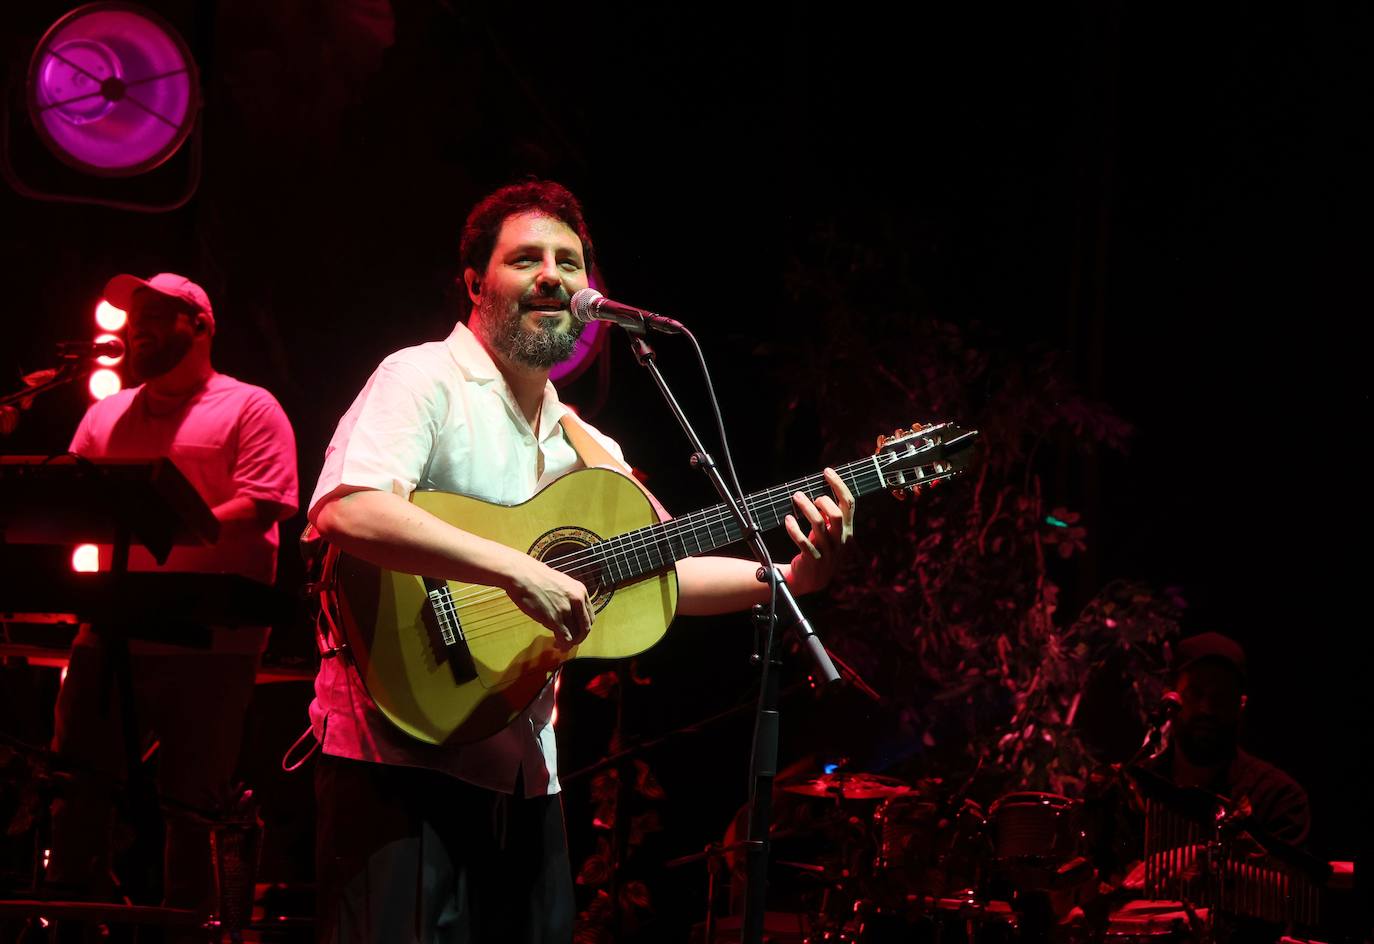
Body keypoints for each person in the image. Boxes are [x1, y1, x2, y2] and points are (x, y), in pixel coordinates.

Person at [307, 179, 855, 943]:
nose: (553, 276)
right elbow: (348, 507)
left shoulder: (589, 447)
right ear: (475, 283)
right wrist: (516, 569)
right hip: (400, 761)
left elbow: (665, 567)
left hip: (528, 778)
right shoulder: (422, 378)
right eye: (525, 258)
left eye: (570, 261)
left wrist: (786, 580)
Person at [46, 273, 299, 919]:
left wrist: (171, 527)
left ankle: (189, 932)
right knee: (76, 790)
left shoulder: (249, 406)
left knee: (190, 806)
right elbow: (71, 497)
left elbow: (269, 500)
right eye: (135, 318)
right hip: (110, 628)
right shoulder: (107, 411)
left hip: (211, 640)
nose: (138, 328)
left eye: (158, 315)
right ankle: (76, 929)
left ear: (201, 325)